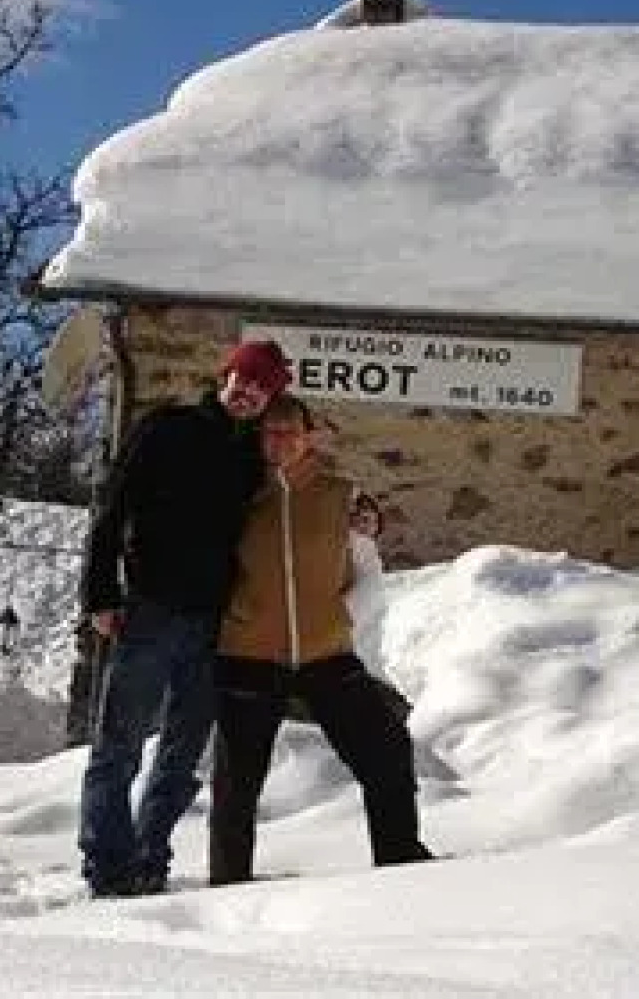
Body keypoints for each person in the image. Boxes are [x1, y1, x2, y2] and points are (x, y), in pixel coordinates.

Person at [77, 338, 291, 897]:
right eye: (245, 381)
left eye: (263, 388)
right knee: (118, 747)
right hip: (148, 609)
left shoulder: (251, 457)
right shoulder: (166, 427)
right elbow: (112, 508)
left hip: (211, 625)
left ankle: (150, 859)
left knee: (181, 754)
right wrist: (100, 595)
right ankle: (107, 866)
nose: (250, 394)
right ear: (225, 375)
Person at [208, 395, 434, 886]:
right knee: (237, 782)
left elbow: (369, 576)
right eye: (270, 432)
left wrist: (335, 618)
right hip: (248, 654)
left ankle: (401, 863)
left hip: (325, 653)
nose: (280, 442)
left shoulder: (343, 497)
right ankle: (227, 884)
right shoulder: (235, 496)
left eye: (291, 431)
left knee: (387, 748)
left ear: (309, 437)